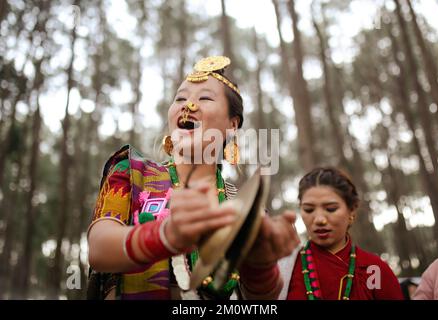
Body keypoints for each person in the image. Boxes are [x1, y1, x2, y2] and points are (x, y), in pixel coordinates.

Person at [87, 56, 299, 300]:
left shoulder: (245, 209)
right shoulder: (130, 173)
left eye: (205, 98)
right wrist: (166, 235)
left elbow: (261, 300)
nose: (188, 105)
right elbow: (99, 249)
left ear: (232, 125)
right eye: (180, 98)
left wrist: (259, 266)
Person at [278, 167, 404, 300]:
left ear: (352, 211)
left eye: (331, 209)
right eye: (309, 210)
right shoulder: (285, 268)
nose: (319, 219)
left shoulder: (374, 269)